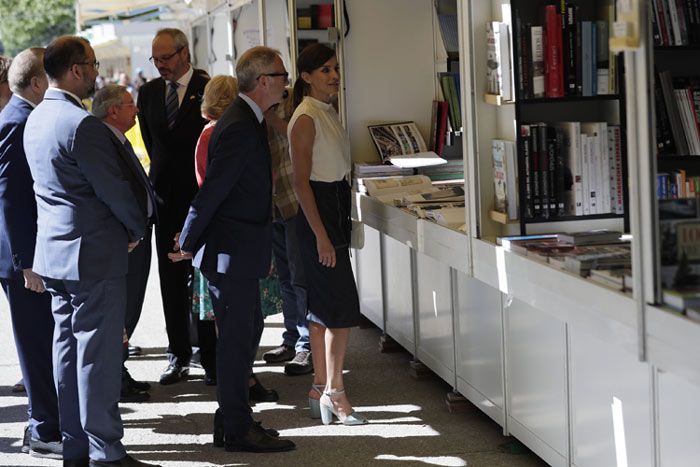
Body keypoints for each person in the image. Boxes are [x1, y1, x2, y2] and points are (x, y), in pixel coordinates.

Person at [23, 35, 156, 467]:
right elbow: (114, 192)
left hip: (56, 256)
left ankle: (78, 447)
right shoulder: (81, 125)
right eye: (94, 65)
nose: (97, 73)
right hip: (92, 255)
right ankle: (106, 453)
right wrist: (136, 228)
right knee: (96, 358)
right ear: (77, 69)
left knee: (67, 352)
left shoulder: (37, 117)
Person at [171, 46, 295, 453]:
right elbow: (213, 191)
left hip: (237, 251)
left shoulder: (248, 118)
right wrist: (187, 241)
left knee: (241, 340)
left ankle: (231, 421)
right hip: (231, 253)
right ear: (263, 81)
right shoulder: (241, 123)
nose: (286, 82)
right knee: (238, 343)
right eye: (281, 75)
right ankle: (239, 429)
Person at [288, 43, 367, 425]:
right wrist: (320, 235)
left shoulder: (327, 110)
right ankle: (336, 392)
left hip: (332, 209)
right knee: (340, 310)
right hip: (319, 214)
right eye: (324, 70)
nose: (334, 75)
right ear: (305, 77)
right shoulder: (305, 117)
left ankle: (321, 386)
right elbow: (301, 183)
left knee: (323, 308)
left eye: (335, 68)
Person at [193, 74, 279, 400]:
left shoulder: (229, 129)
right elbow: (212, 189)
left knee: (246, 320)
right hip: (231, 240)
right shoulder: (223, 132)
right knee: (236, 323)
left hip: (238, 237)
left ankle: (243, 384)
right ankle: (238, 390)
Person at [137, 28, 211, 385]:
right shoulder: (149, 93)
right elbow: (153, 146)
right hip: (166, 201)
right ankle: (178, 353)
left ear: (184, 53)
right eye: (156, 59)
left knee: (205, 277)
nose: (161, 65)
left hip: (202, 199)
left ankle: (210, 354)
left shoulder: (208, 87)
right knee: (171, 279)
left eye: (166, 57)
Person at [0, 47, 62, 459]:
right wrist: (27, 263)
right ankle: (43, 430)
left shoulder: (23, 117)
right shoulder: (16, 121)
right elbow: (10, 198)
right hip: (23, 261)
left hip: (27, 257)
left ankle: (45, 424)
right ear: (38, 82)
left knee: (42, 342)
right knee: (37, 345)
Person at [92, 84, 158, 403]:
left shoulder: (119, 138)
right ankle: (115, 376)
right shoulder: (104, 141)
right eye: (130, 105)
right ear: (112, 110)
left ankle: (120, 371)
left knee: (130, 307)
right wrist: (132, 231)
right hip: (125, 240)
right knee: (121, 310)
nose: (136, 110)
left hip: (136, 236)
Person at [192, 74, 239, 386]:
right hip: (225, 232)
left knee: (230, 314)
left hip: (219, 230)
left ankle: (236, 377)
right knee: (230, 314)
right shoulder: (217, 134)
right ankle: (235, 379)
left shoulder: (210, 132)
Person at [262, 92, 313, 376]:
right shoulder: (259, 110)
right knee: (285, 277)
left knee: (299, 277)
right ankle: (291, 340)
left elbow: (297, 135)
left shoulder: (296, 105)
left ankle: (306, 346)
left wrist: (271, 117)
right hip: (274, 204)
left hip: (294, 201)